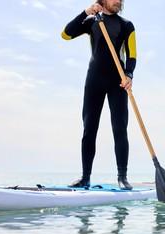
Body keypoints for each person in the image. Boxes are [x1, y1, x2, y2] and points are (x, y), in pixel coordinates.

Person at [61, 0, 136, 190]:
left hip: (118, 81)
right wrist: (84, 13)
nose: (118, 1)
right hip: (94, 80)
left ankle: (122, 177)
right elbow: (65, 34)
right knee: (89, 129)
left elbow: (132, 54)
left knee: (120, 129)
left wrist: (129, 75)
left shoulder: (126, 25)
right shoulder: (91, 22)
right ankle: (85, 177)